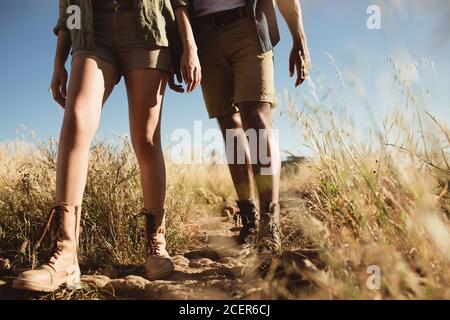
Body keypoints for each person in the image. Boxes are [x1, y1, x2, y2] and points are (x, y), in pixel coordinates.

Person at [13, 0, 201, 292]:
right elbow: (68, 10)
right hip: (92, 32)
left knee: (146, 139)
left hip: (147, 30)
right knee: (75, 120)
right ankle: (65, 253)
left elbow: (178, 2)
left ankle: (156, 243)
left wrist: (190, 45)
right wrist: (58, 62)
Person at [171, 0, 311, 262]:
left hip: (249, 25)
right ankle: (250, 220)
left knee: (256, 119)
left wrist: (299, 36)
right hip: (203, 36)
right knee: (230, 129)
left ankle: (270, 226)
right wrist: (178, 50)